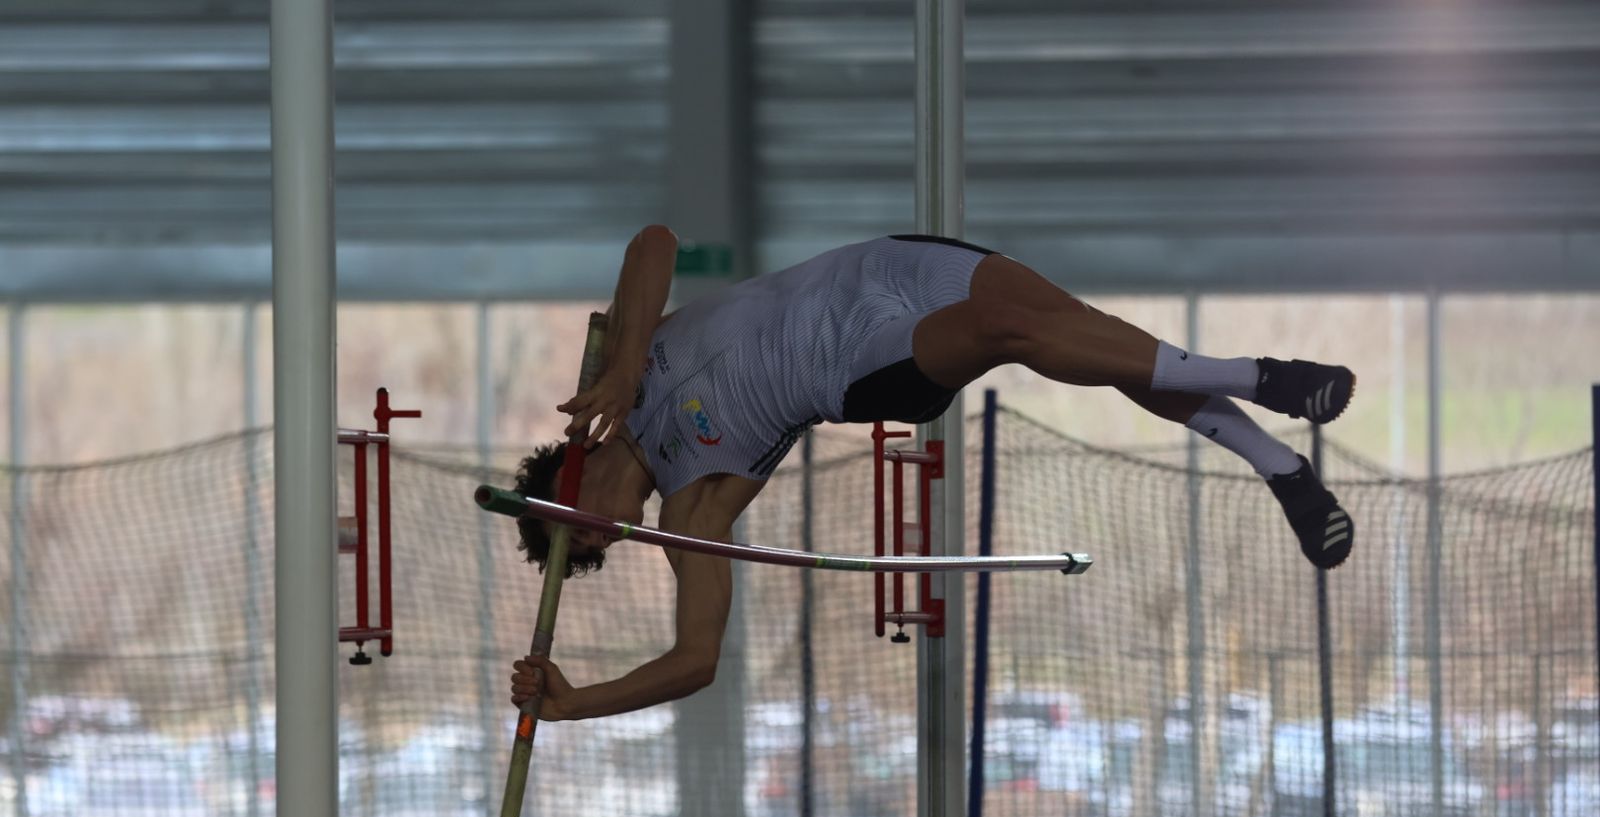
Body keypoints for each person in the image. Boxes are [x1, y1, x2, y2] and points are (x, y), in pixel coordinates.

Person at [509, 226, 1355, 720]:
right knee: (1018, 330)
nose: (584, 540)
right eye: (575, 554)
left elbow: (655, 241)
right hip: (864, 361)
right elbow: (696, 659)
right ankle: (1260, 376)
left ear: (564, 470)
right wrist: (574, 702)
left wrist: (623, 367)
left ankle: (1280, 467)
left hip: (890, 266)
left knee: (1097, 344)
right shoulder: (695, 508)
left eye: (561, 526)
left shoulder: (625, 358)